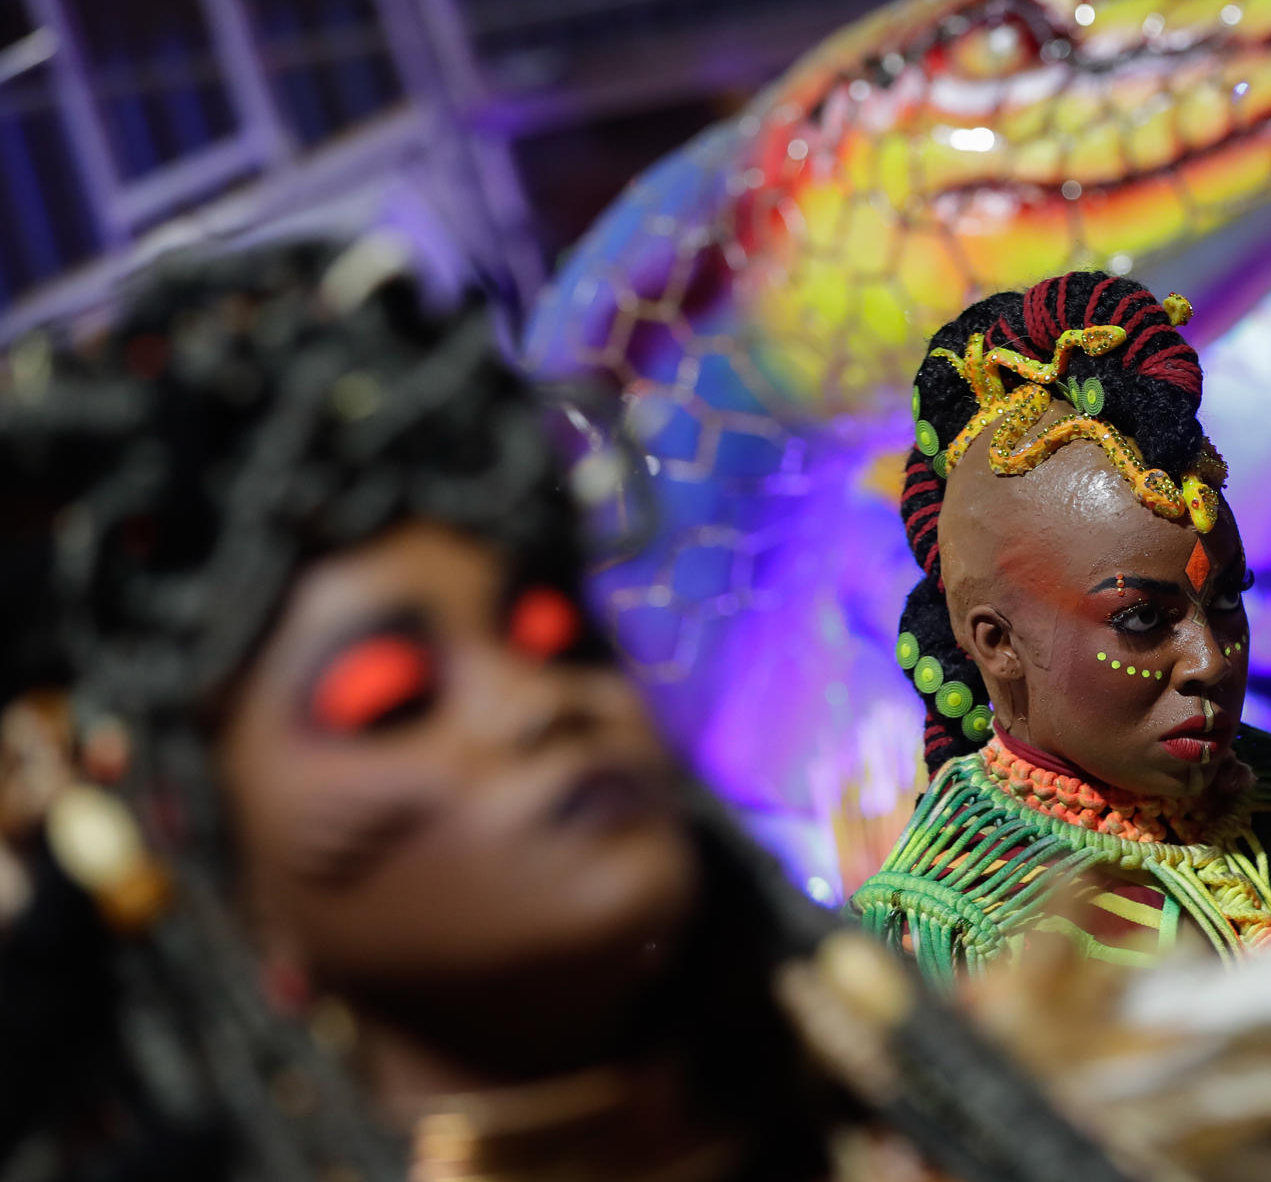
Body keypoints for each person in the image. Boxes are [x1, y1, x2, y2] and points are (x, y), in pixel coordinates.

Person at [3, 241, 1150, 1182]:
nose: (538, 701)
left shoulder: (990, 1128)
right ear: (173, 838)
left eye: (559, 637)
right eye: (391, 702)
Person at [850, 272, 1271, 988]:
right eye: (1140, 618)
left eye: (1228, 598)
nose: (1209, 661)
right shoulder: (953, 930)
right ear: (998, 644)